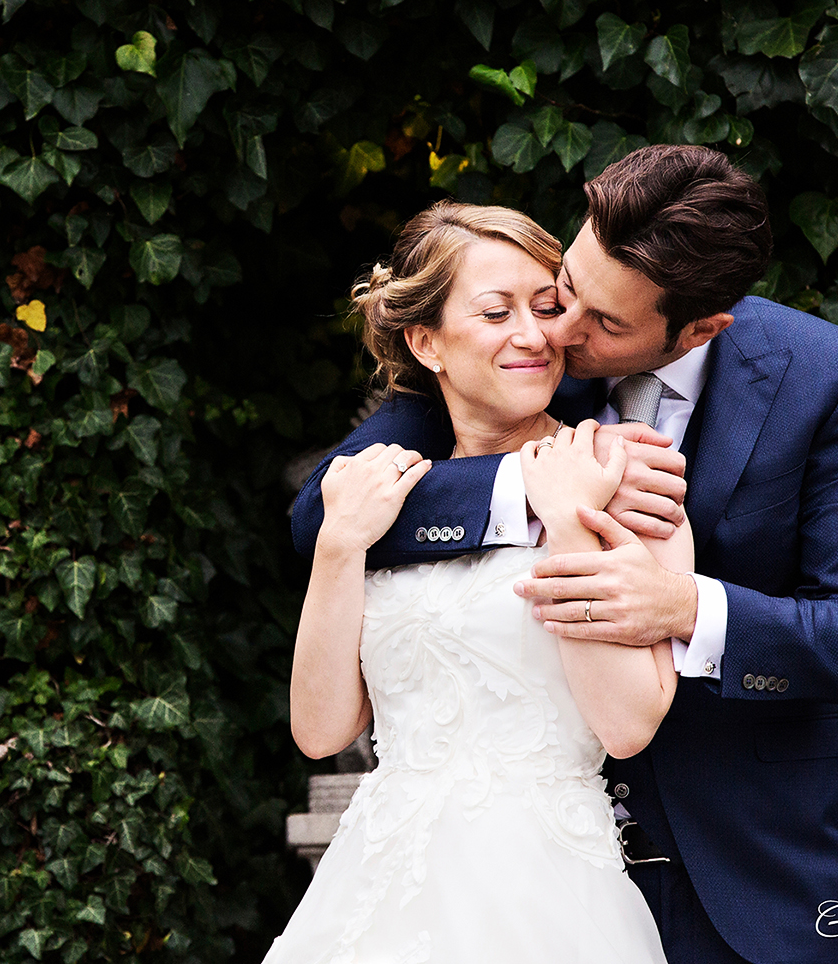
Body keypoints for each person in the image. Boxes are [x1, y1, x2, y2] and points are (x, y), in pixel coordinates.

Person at [289, 145, 838, 964]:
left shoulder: (824, 376)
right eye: (567, 290)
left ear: (700, 329)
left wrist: (685, 606)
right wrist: (530, 485)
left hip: (735, 864)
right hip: (429, 880)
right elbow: (326, 508)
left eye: (603, 322)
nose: (556, 332)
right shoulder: (513, 343)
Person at [265, 203, 681, 963]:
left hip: (545, 897)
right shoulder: (381, 497)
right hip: (375, 889)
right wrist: (339, 547)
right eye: (496, 313)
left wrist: (569, 526)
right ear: (426, 342)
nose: (534, 335)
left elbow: (627, 726)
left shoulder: (620, 477)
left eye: (547, 308)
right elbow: (321, 731)